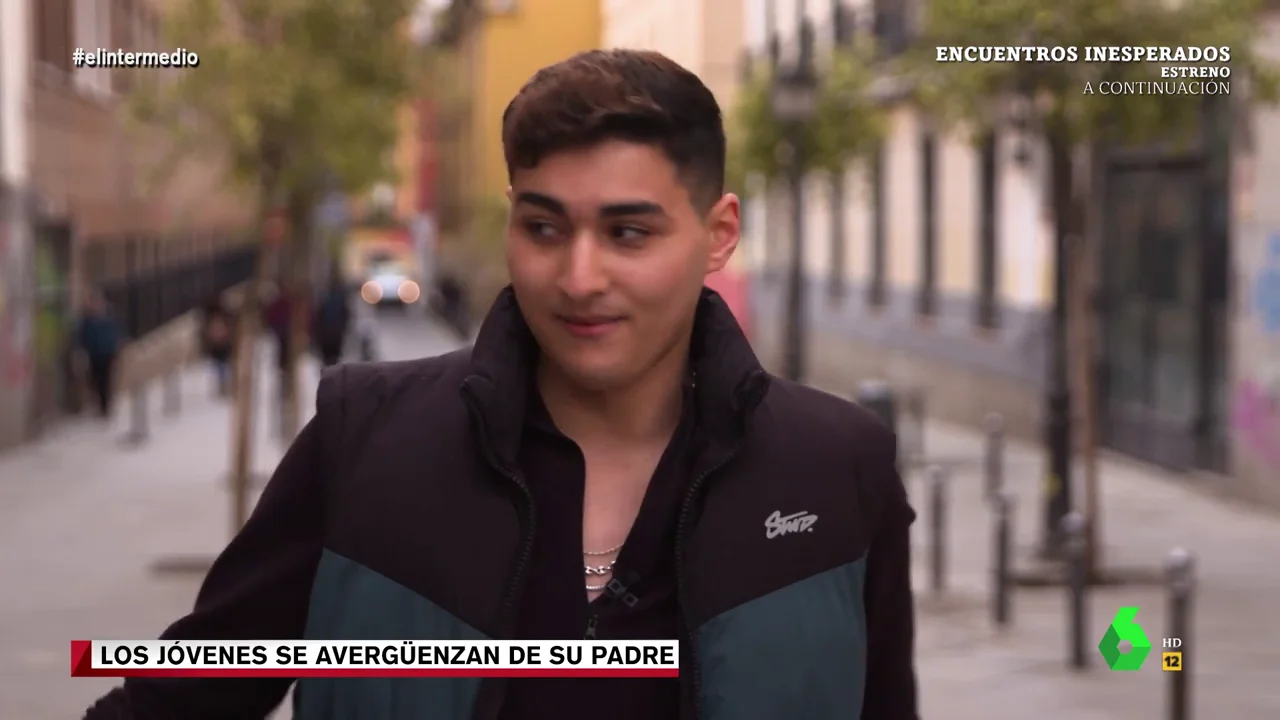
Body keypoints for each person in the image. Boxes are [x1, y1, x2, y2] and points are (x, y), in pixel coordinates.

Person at [84, 49, 918, 719]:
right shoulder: (363, 440)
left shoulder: (839, 469)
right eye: (544, 226)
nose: (579, 276)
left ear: (718, 235)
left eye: (628, 232)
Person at [74, 291, 121, 420]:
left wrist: (115, 347)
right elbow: (82, 336)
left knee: (105, 380)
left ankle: (105, 406)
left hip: (107, 353)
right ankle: (100, 403)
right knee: (94, 379)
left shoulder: (108, 317)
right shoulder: (87, 320)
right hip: (94, 354)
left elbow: (114, 333)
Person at [200, 293, 235, 396]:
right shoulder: (211, 320)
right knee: (219, 366)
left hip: (222, 346)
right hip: (217, 347)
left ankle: (224, 384)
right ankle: (222, 385)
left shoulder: (220, 318)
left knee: (222, 367)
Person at [312, 277, 352, 367]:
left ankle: (329, 370)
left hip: (327, 333)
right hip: (335, 332)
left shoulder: (324, 298)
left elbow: (318, 315)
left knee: (327, 357)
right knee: (334, 357)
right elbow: (346, 315)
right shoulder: (340, 299)